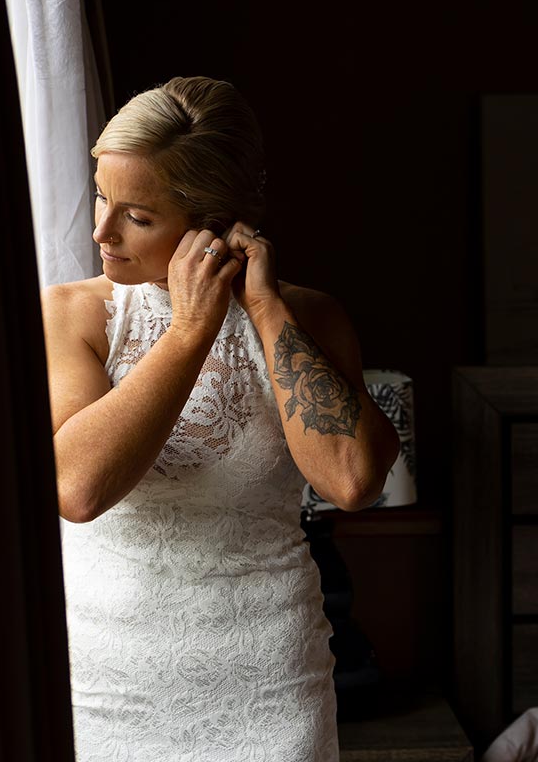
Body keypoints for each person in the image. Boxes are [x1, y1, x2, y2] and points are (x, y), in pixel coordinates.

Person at [43, 76, 400, 760]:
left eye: (137, 215)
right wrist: (188, 333)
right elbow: (79, 489)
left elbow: (353, 483)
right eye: (101, 197)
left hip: (270, 683)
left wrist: (265, 310)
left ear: (210, 221)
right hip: (109, 687)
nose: (101, 231)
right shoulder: (71, 315)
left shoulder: (309, 317)